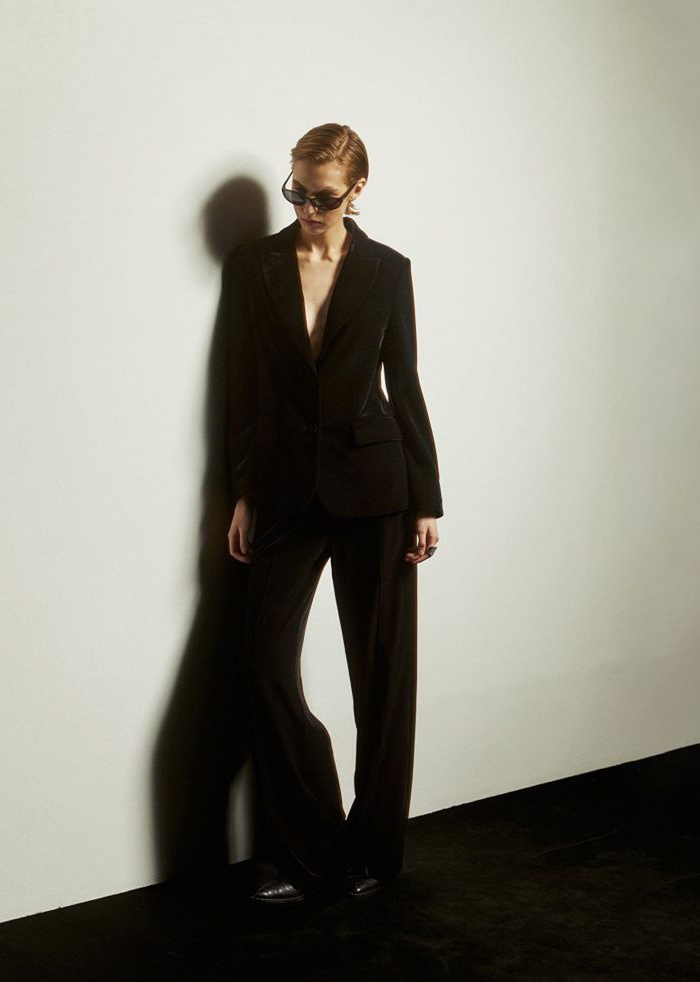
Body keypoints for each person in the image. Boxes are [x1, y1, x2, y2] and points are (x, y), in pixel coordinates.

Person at [222, 123, 443, 905]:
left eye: (322, 196)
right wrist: (243, 490)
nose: (307, 209)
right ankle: (312, 845)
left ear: (356, 192)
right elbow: (242, 384)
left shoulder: (387, 270)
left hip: (376, 488)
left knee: (381, 677)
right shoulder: (255, 266)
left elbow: (404, 384)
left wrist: (426, 500)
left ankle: (373, 852)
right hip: (284, 488)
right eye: (296, 191)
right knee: (264, 663)